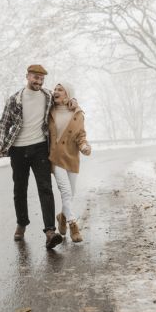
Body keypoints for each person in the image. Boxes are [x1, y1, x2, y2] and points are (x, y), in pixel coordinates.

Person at [0, 65, 64, 250]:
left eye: (41, 79)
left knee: (45, 187)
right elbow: (4, 123)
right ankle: (21, 224)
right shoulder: (14, 99)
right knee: (20, 189)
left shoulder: (48, 96)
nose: (39, 82)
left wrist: (73, 102)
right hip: (17, 150)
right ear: (27, 77)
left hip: (40, 147)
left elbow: (64, 100)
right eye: (35, 78)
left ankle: (50, 231)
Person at [48, 83, 91, 242]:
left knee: (70, 195)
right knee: (66, 192)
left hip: (72, 157)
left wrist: (84, 146)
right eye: (55, 89)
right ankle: (73, 225)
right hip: (56, 157)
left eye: (60, 89)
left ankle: (62, 217)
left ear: (68, 93)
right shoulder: (49, 110)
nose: (56, 92)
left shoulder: (77, 113)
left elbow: (80, 135)